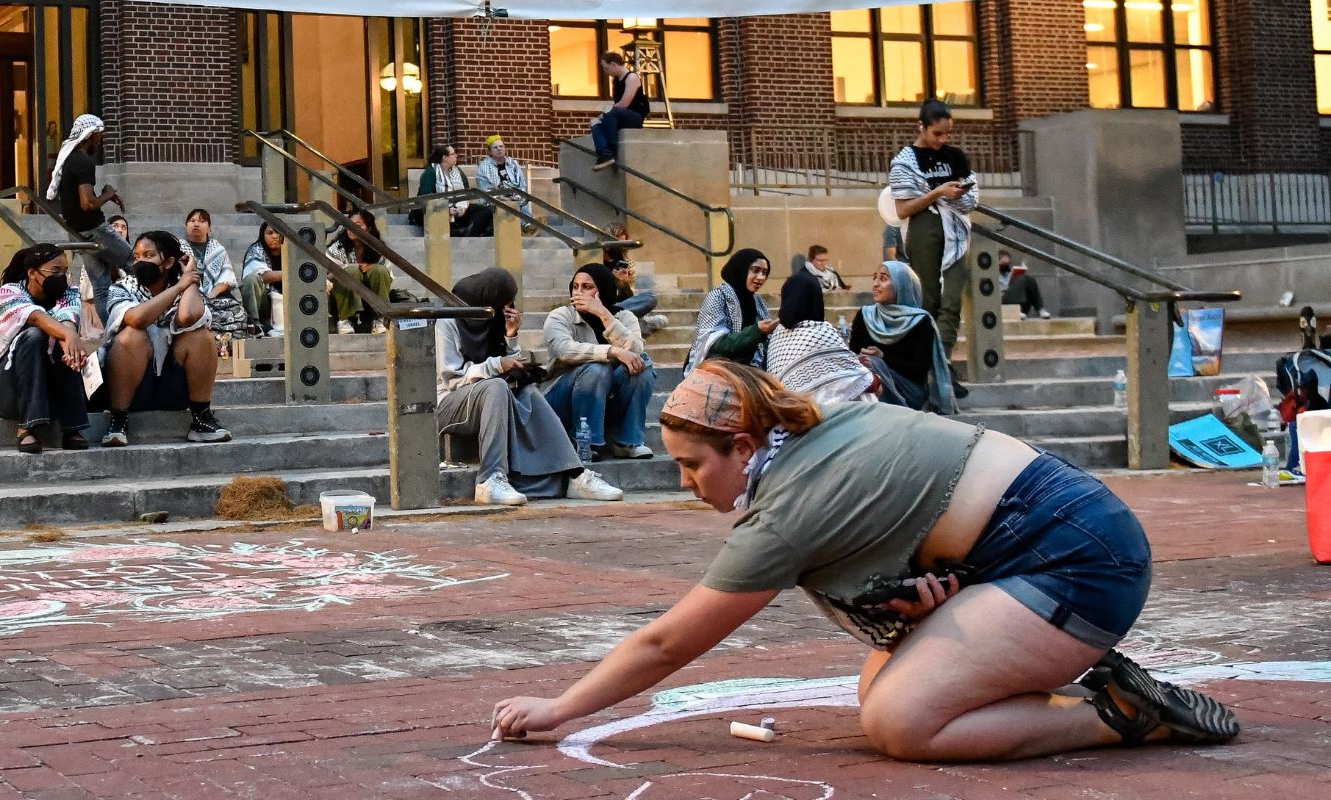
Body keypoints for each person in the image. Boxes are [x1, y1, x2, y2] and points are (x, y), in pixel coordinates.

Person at [492, 360, 1240, 759]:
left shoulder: (786, 509)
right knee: (881, 680)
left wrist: (561, 709)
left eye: (692, 465)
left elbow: (668, 642)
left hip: (1078, 559)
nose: (686, 484)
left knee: (904, 723)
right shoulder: (814, 430)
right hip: (1052, 532)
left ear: (744, 446)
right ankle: (1106, 697)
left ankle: (1120, 713)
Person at [436, 268, 627, 506]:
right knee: (496, 387)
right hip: (449, 405)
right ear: (488, 298)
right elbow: (452, 379)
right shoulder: (447, 320)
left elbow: (505, 362)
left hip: (491, 396)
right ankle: (490, 479)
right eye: (504, 302)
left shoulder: (488, 319)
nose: (508, 308)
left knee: (527, 390)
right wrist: (497, 365)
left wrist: (511, 337)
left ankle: (575, 474)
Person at [97, 230, 232, 447]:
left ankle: (201, 418)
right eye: (137, 257)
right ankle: (118, 420)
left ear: (169, 262)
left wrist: (190, 278)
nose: (140, 261)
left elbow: (188, 316)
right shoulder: (121, 288)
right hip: (133, 390)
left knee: (201, 336)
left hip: (171, 389)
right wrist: (180, 285)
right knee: (132, 334)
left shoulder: (187, 288)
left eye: (149, 256)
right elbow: (137, 318)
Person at [891, 100, 978, 387]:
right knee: (929, 299)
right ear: (922, 127)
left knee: (952, 299)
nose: (943, 140)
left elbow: (971, 195)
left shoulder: (955, 156)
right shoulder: (906, 160)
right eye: (937, 134)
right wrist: (938, 192)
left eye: (947, 133)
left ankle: (943, 361)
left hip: (955, 228)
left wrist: (955, 194)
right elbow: (903, 208)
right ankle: (933, 367)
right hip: (925, 227)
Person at [542, 263, 656, 460]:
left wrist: (603, 314)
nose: (579, 292)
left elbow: (636, 350)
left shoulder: (624, 317)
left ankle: (628, 442)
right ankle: (586, 443)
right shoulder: (561, 316)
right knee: (596, 369)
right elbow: (564, 351)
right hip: (561, 399)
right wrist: (613, 351)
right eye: (575, 286)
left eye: (587, 287)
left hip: (605, 401)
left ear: (602, 289)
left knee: (642, 366)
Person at [0, 243, 88, 453]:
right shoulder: (8, 293)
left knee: (64, 344)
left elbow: (68, 319)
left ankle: (72, 428)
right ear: (32, 273)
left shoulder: (69, 293)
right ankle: (26, 427)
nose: (62, 277)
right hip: (6, 392)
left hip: (47, 391)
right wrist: (68, 334)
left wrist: (69, 338)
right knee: (35, 335)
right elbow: (35, 317)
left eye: (65, 272)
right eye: (55, 271)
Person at [851, 261, 957, 414]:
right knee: (865, 364)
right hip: (868, 381)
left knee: (872, 363)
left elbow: (918, 370)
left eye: (883, 279)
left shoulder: (920, 321)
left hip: (909, 391)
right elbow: (853, 353)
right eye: (875, 278)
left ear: (902, 285)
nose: (876, 284)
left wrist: (883, 357)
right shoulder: (865, 315)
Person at [46, 114, 132, 302]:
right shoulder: (83, 162)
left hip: (78, 232)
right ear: (90, 135)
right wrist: (108, 194)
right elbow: (88, 204)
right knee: (135, 265)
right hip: (95, 229)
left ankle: (112, 331)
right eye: (100, 135)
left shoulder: (70, 161)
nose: (101, 140)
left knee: (101, 287)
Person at [769, 272, 878, 407]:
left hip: (789, 413)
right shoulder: (820, 332)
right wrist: (876, 379)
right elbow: (864, 382)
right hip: (822, 414)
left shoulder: (777, 335)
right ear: (815, 299)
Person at [685, 249, 775, 373]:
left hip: (750, 367)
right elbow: (716, 344)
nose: (761, 277)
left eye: (764, 273)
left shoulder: (758, 301)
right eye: (755, 270)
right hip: (717, 367)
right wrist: (756, 331)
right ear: (741, 269)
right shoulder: (717, 296)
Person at [183, 209, 251, 337]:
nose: (196, 224)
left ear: (209, 228)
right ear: (186, 226)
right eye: (192, 221)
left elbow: (226, 279)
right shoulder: (178, 248)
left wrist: (209, 297)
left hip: (215, 295)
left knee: (238, 312)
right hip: (187, 294)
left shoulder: (218, 250)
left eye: (202, 221)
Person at [327, 205, 393, 335]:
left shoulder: (379, 249)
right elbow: (324, 277)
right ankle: (344, 320)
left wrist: (370, 270)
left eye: (358, 225)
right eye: (349, 224)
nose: (352, 228)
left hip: (370, 301)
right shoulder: (338, 248)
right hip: (341, 301)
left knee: (379, 270)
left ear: (368, 228)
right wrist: (348, 269)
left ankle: (380, 318)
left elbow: (388, 278)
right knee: (351, 271)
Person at [590, 49, 650, 165]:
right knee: (595, 122)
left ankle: (612, 150)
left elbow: (624, 104)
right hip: (619, 114)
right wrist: (602, 116)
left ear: (613, 64)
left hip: (634, 116)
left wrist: (607, 112)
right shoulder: (616, 81)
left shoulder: (631, 78)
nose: (605, 71)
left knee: (611, 113)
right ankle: (604, 153)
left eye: (606, 68)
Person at [414, 143, 488, 236]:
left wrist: (462, 208)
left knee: (484, 211)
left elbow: (466, 194)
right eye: (453, 154)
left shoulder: (458, 172)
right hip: (437, 209)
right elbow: (426, 197)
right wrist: (447, 210)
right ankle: (456, 233)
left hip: (457, 209)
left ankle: (470, 232)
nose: (456, 156)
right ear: (445, 157)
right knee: (433, 213)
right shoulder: (431, 172)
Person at [241, 222, 288, 336]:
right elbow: (262, 276)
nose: (275, 236)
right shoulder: (256, 249)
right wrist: (291, 273)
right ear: (263, 235)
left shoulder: (292, 249)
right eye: (270, 233)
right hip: (265, 303)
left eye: (278, 232)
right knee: (251, 279)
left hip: (287, 303)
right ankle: (254, 324)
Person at [476, 136, 531, 222]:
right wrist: (502, 198)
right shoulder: (483, 167)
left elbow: (522, 183)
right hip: (495, 200)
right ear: (490, 152)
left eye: (501, 146)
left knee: (519, 204)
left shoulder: (513, 163)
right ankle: (528, 225)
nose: (499, 149)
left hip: (515, 198)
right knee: (510, 206)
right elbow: (485, 190)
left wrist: (517, 196)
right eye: (495, 147)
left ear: (505, 148)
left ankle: (528, 225)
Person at [608, 257, 668, 336]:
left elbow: (630, 301)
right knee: (651, 297)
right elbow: (608, 297)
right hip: (610, 309)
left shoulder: (625, 285)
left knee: (646, 319)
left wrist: (624, 282)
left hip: (622, 318)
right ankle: (611, 313)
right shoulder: (609, 278)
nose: (630, 274)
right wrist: (616, 280)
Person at [997, 251, 1052, 319]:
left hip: (1022, 304)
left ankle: (1040, 309)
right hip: (1004, 303)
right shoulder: (994, 275)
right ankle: (1015, 312)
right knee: (1025, 279)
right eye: (1003, 263)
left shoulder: (1009, 273)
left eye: (1007, 263)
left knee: (1029, 279)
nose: (1006, 265)